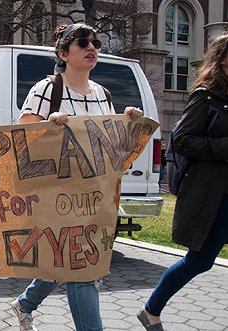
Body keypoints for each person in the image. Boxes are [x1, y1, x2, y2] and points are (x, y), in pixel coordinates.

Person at [9, 23, 143, 331]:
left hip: (93, 195)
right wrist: (49, 125)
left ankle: (26, 303)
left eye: (95, 42)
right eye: (82, 42)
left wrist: (127, 123)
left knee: (66, 261)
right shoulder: (47, 89)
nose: (91, 47)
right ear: (63, 53)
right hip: (56, 194)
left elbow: (112, 147)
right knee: (82, 270)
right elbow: (23, 134)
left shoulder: (103, 94)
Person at [137, 33, 228, 331]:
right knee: (200, 260)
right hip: (214, 193)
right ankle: (151, 310)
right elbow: (183, 140)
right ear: (224, 59)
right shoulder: (206, 96)